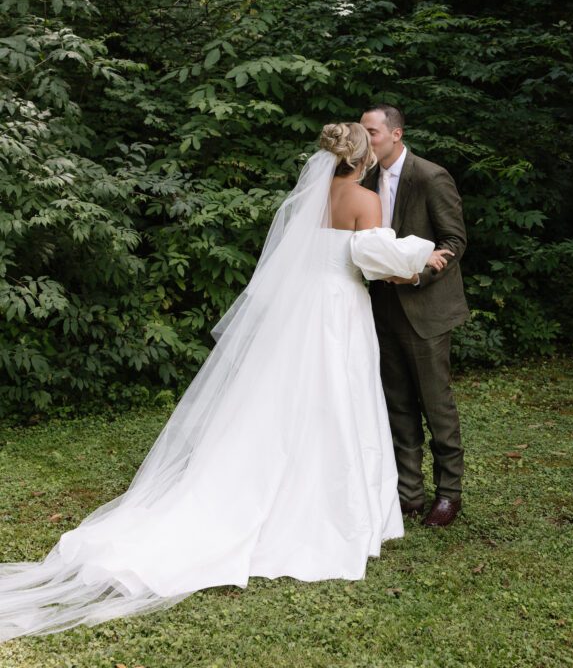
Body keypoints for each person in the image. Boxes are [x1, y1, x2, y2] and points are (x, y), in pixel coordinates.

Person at [0, 122, 452, 642]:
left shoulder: (312, 196)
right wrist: (423, 257)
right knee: (335, 396)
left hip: (298, 311)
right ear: (362, 158)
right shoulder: (363, 199)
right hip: (335, 311)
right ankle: (327, 503)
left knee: (288, 399)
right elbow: (377, 263)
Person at [360, 105, 469, 527]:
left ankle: (449, 495)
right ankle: (409, 494)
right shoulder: (364, 180)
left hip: (425, 308)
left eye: (371, 132)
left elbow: (454, 241)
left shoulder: (429, 176)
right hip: (381, 308)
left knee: (436, 404)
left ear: (396, 134)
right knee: (398, 404)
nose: (366, 138)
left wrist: (420, 274)